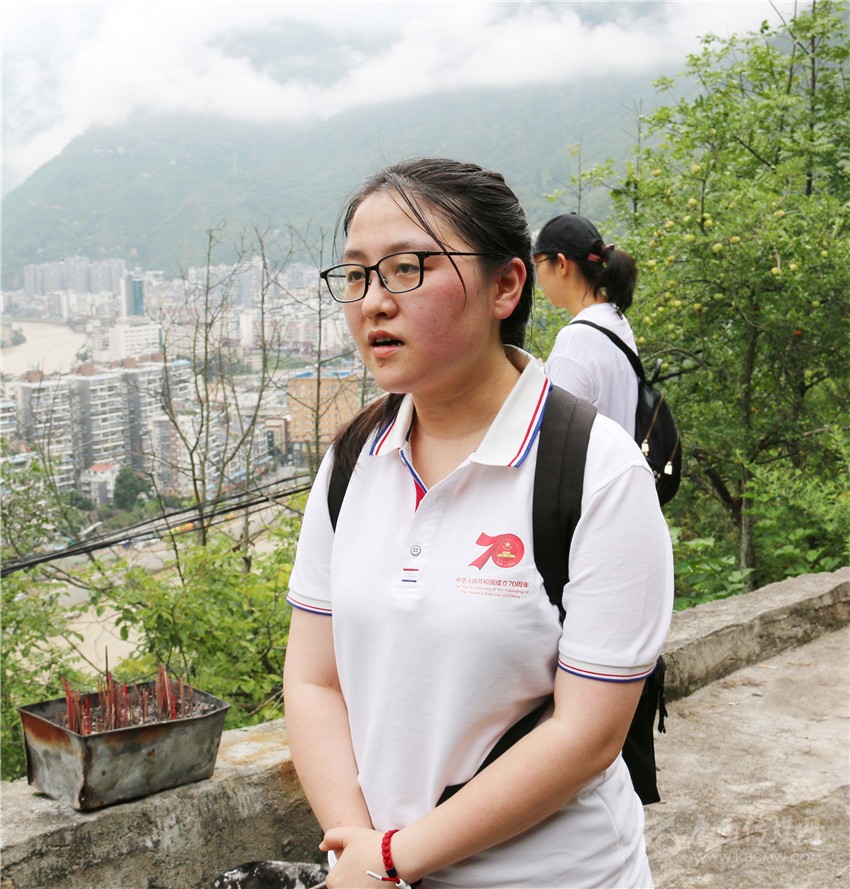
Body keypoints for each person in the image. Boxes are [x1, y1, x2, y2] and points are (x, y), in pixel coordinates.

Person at [282, 158, 673, 889]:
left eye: (407, 268)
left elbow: (587, 735)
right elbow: (312, 680)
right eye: (357, 275)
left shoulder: (597, 472)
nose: (373, 302)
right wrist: (358, 847)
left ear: (505, 285)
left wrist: (393, 857)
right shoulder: (351, 461)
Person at [533, 213, 641, 438]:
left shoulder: (577, 338)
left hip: (588, 462)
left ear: (561, 264)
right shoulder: (615, 319)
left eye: (538, 264)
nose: (538, 276)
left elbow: (549, 433)